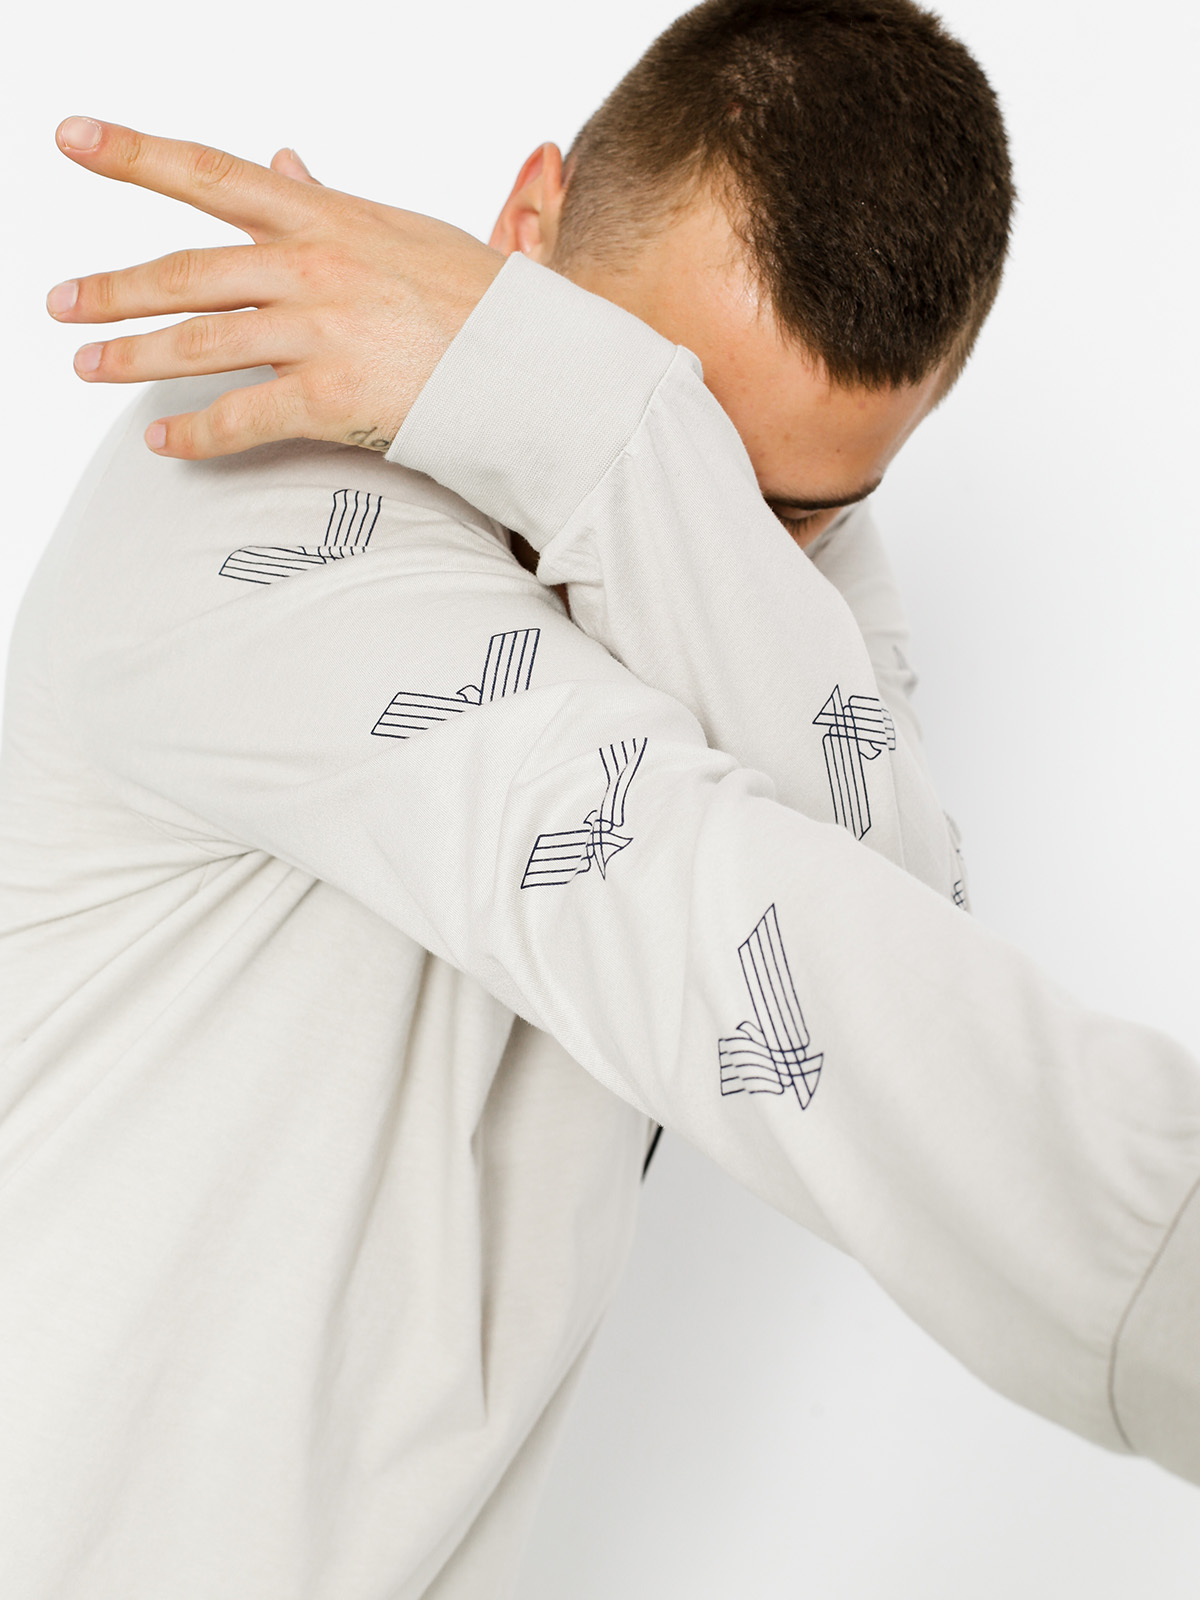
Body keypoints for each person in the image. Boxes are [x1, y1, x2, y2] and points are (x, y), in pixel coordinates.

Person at [2, 0, 1197, 1594]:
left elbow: (896, 941)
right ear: (527, 224)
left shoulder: (777, 554)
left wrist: (604, 422)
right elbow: (687, 894)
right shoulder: (247, 459)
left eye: (796, 510)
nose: (728, 541)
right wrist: (590, 414)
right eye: (652, 408)